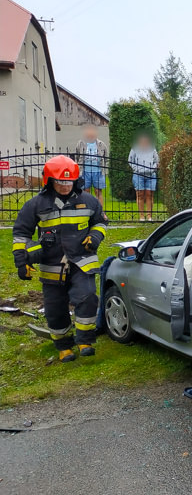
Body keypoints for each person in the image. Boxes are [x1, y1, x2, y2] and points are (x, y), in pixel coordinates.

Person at [12, 155, 106, 363]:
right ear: (50, 181)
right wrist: (22, 260)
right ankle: (64, 346)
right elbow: (20, 234)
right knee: (55, 307)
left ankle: (85, 341)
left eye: (69, 181)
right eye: (60, 182)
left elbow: (100, 222)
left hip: (82, 261)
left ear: (76, 180)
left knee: (88, 297)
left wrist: (95, 236)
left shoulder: (88, 201)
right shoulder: (35, 204)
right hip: (52, 264)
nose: (65, 186)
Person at [74, 124, 108, 206]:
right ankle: (87, 210)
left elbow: (106, 158)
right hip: (85, 172)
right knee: (86, 192)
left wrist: (105, 170)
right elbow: (77, 157)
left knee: (98, 191)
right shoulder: (80, 143)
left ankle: (100, 212)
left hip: (98, 172)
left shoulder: (101, 144)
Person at [128, 134, 159, 222]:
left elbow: (157, 161)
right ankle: (141, 216)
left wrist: (152, 169)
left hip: (151, 175)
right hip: (138, 175)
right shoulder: (135, 149)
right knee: (140, 194)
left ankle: (149, 216)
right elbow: (130, 160)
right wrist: (136, 169)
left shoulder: (152, 148)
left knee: (149, 194)